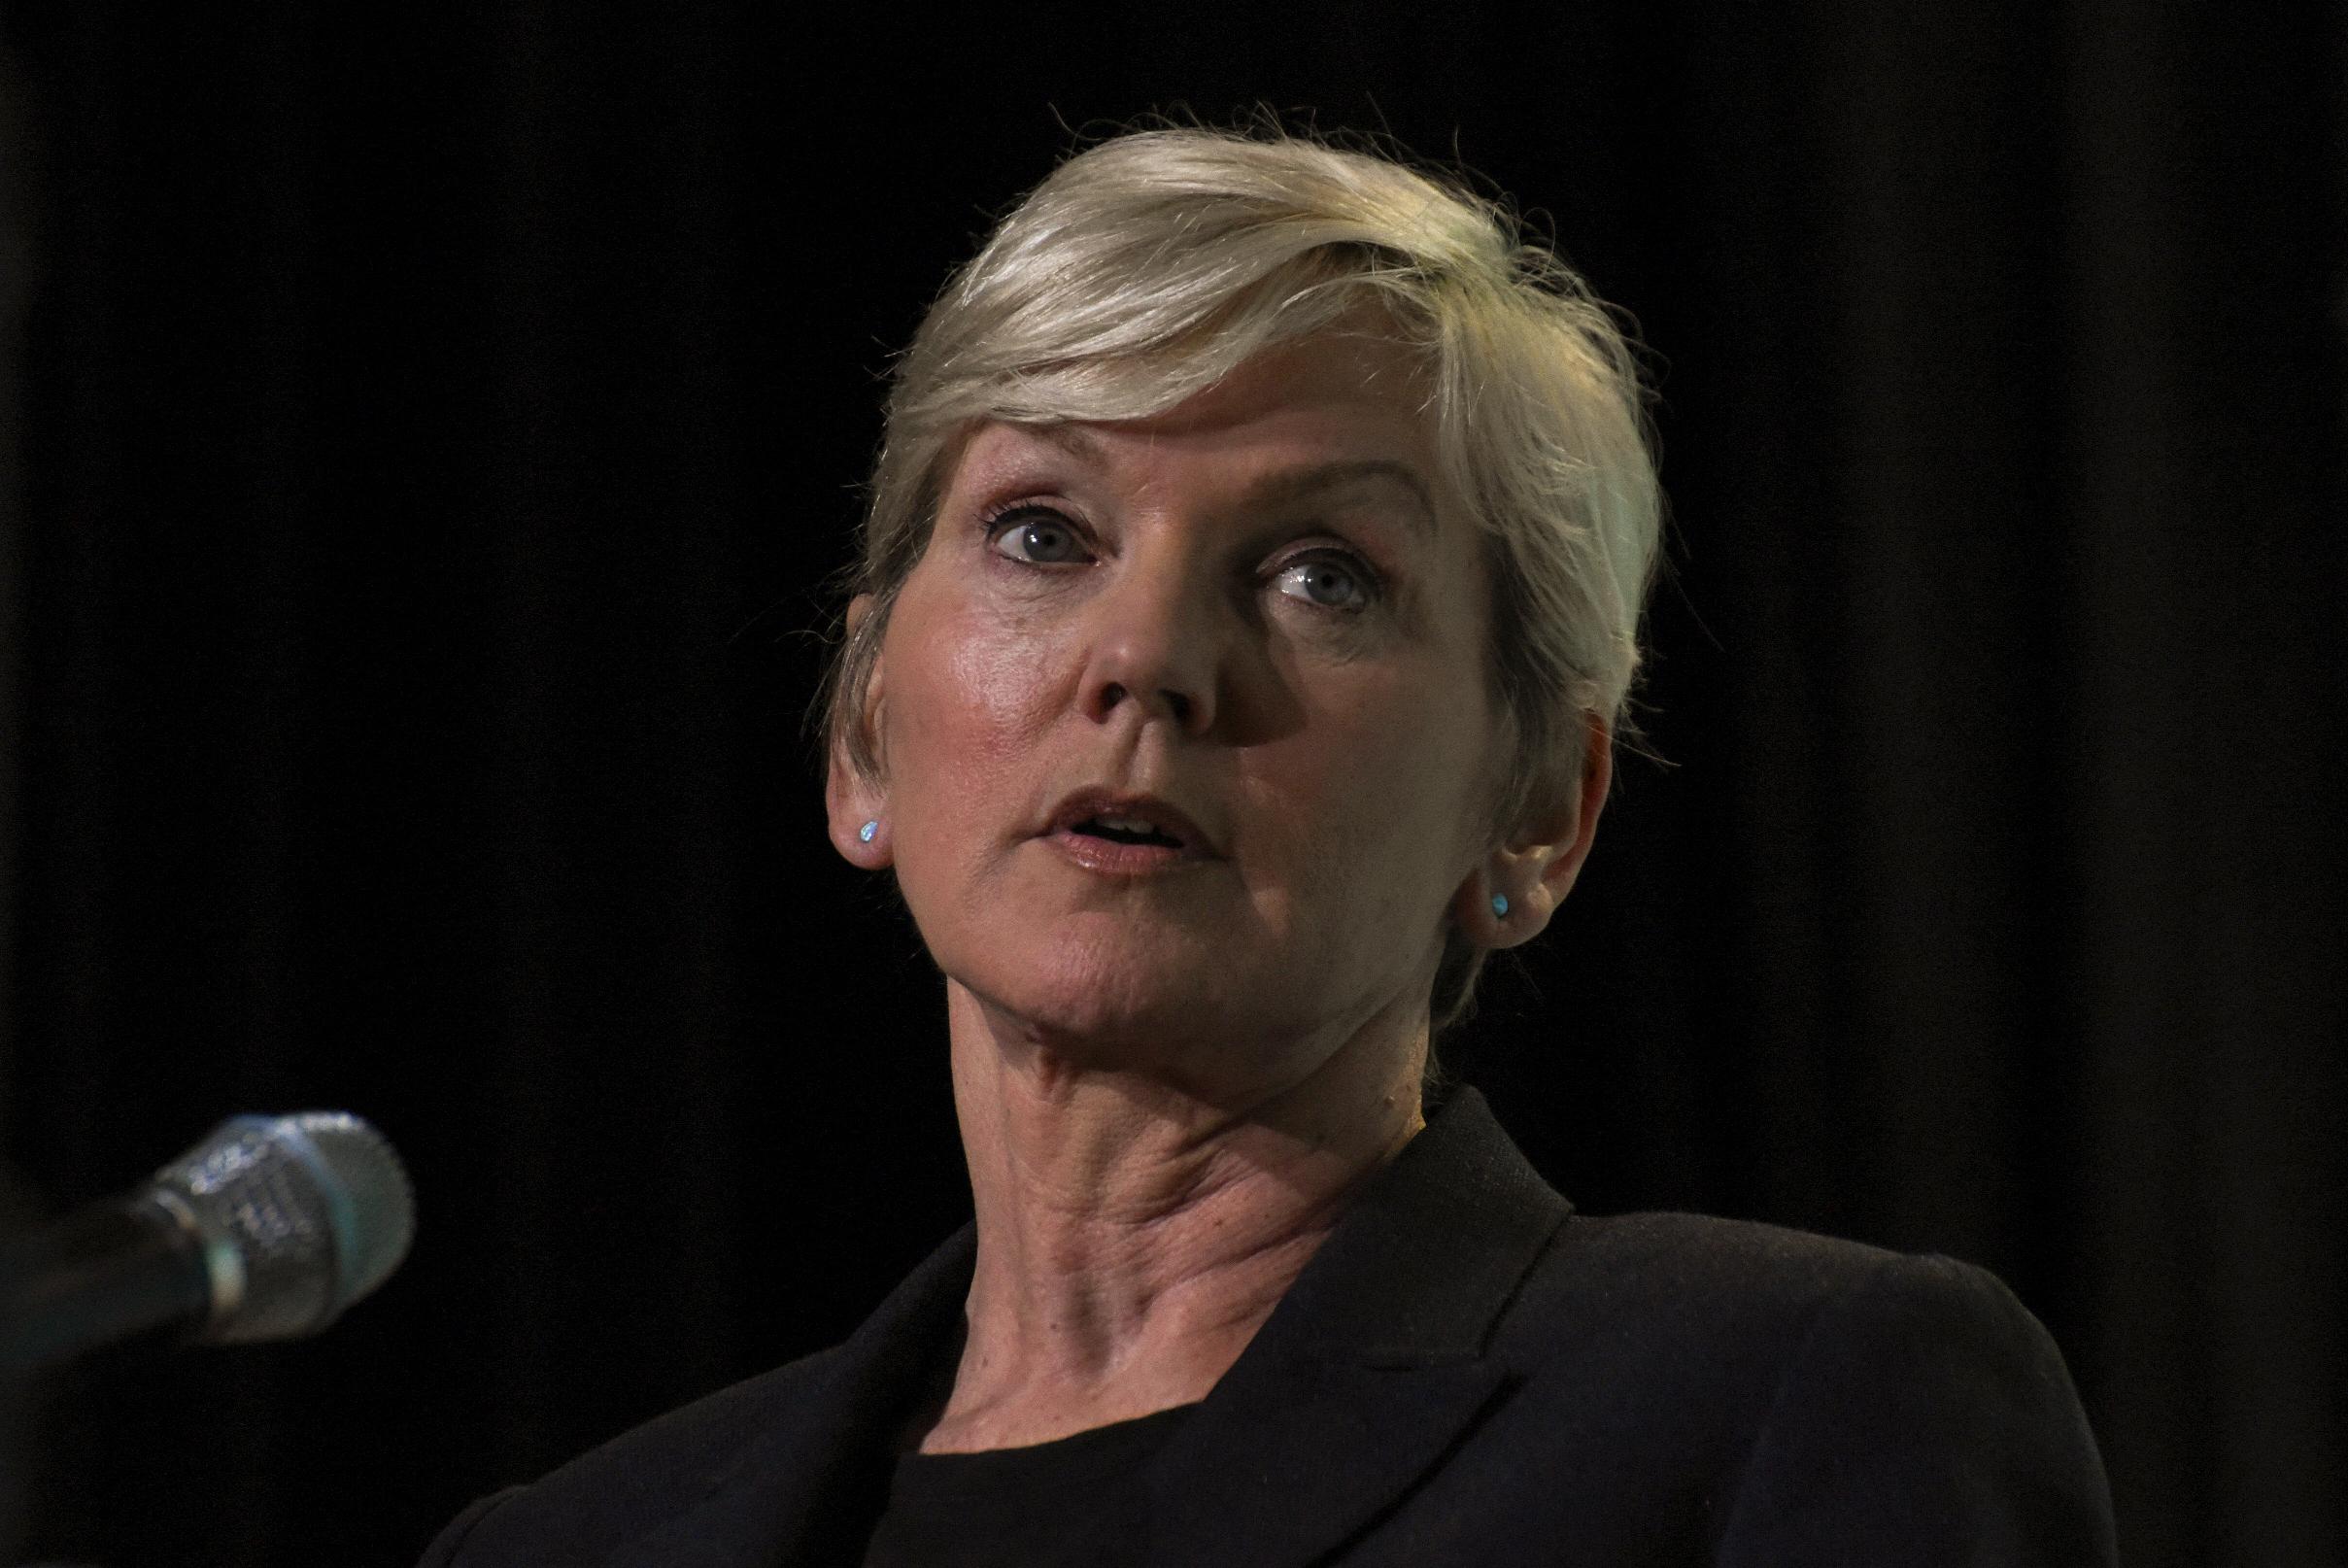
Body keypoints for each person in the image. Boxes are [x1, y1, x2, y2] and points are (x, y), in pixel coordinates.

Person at [419, 125, 2119, 1566]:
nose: (1147, 655)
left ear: (1538, 809)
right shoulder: (567, 1543)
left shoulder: (1776, 1405)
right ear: (863, 729)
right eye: (1041, 532)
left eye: (1323, 575)